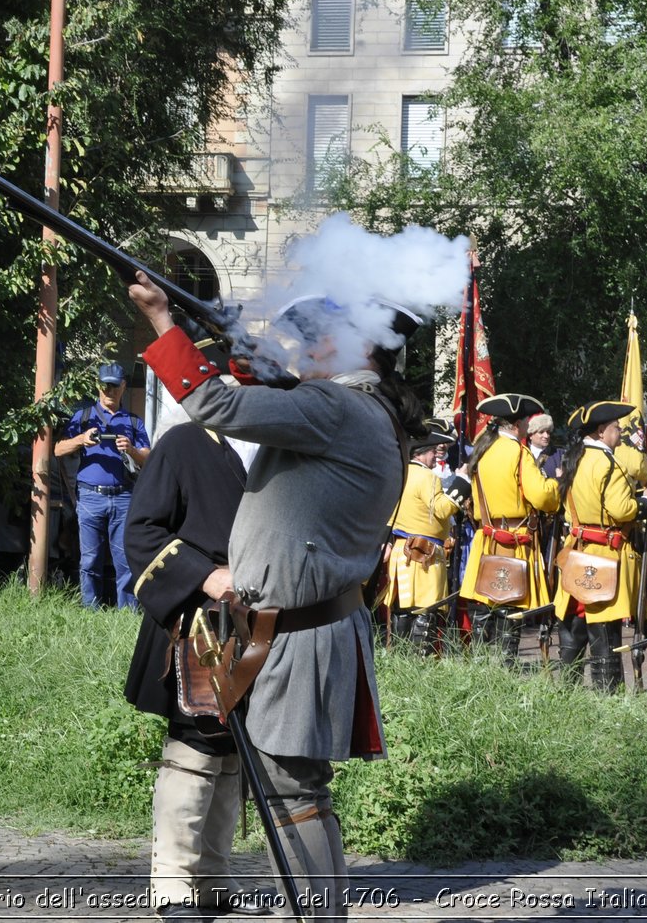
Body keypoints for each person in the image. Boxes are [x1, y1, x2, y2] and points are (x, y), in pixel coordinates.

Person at [128, 274, 422, 920]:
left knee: (294, 790)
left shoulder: (336, 408)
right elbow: (263, 384)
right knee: (293, 788)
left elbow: (216, 403)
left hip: (296, 634)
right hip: (298, 627)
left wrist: (160, 319)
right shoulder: (358, 408)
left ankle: (317, 916)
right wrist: (241, 343)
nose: (307, 352)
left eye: (320, 341)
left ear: (360, 347)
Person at [123, 413, 254, 920]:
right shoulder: (181, 443)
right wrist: (205, 575)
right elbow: (142, 532)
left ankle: (213, 880)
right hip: (194, 621)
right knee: (195, 745)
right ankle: (173, 886)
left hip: (244, 625)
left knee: (231, 751)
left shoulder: (252, 450)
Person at [551, 401, 647, 690]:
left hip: (577, 550)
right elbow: (621, 510)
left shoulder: (575, 459)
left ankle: (567, 689)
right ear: (602, 431)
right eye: (616, 428)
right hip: (604, 554)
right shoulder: (608, 463)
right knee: (604, 628)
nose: (620, 434)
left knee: (574, 623)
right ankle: (607, 694)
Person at [458, 393, 561, 662]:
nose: (529, 426)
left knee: (485, 603)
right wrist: (555, 485)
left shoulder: (484, 449)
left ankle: (478, 663)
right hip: (514, 539)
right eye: (527, 421)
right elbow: (541, 496)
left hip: (486, 538)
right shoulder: (518, 452)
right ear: (517, 424)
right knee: (511, 605)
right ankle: (506, 668)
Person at [55, 364, 151, 609]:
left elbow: (149, 458)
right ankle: (90, 609)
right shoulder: (83, 417)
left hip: (123, 497)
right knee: (90, 559)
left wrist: (130, 449)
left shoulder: (132, 421)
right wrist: (81, 439)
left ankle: (127, 612)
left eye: (114, 385)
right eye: (105, 385)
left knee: (125, 560)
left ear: (123, 387)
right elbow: (57, 449)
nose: (109, 390)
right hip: (90, 496)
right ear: (98, 386)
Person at [380, 427, 466, 653]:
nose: (434, 458)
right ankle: (420, 658)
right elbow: (441, 509)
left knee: (403, 608)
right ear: (422, 453)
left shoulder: (400, 473)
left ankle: (400, 655)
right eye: (431, 453)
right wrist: (462, 483)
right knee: (425, 609)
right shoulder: (428, 477)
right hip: (424, 552)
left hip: (402, 550)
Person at [526, 413, 562, 480]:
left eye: (548, 432)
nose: (546, 436)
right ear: (530, 435)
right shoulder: (523, 454)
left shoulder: (560, 454)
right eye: (541, 432)